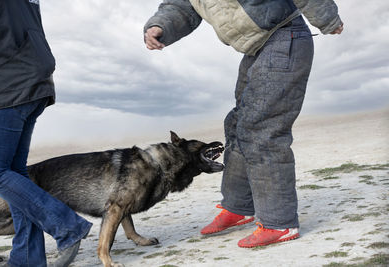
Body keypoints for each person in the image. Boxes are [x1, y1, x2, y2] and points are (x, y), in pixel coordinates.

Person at [144, 0, 343, 247]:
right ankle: (239, 207)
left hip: (284, 34)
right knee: (237, 125)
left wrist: (327, 18)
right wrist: (159, 26)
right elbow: (181, 6)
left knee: (261, 129)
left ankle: (279, 223)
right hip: (256, 48)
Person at [0, 1, 92, 266]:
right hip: (33, 83)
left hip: (6, 87)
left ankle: (67, 226)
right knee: (14, 173)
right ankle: (27, 259)